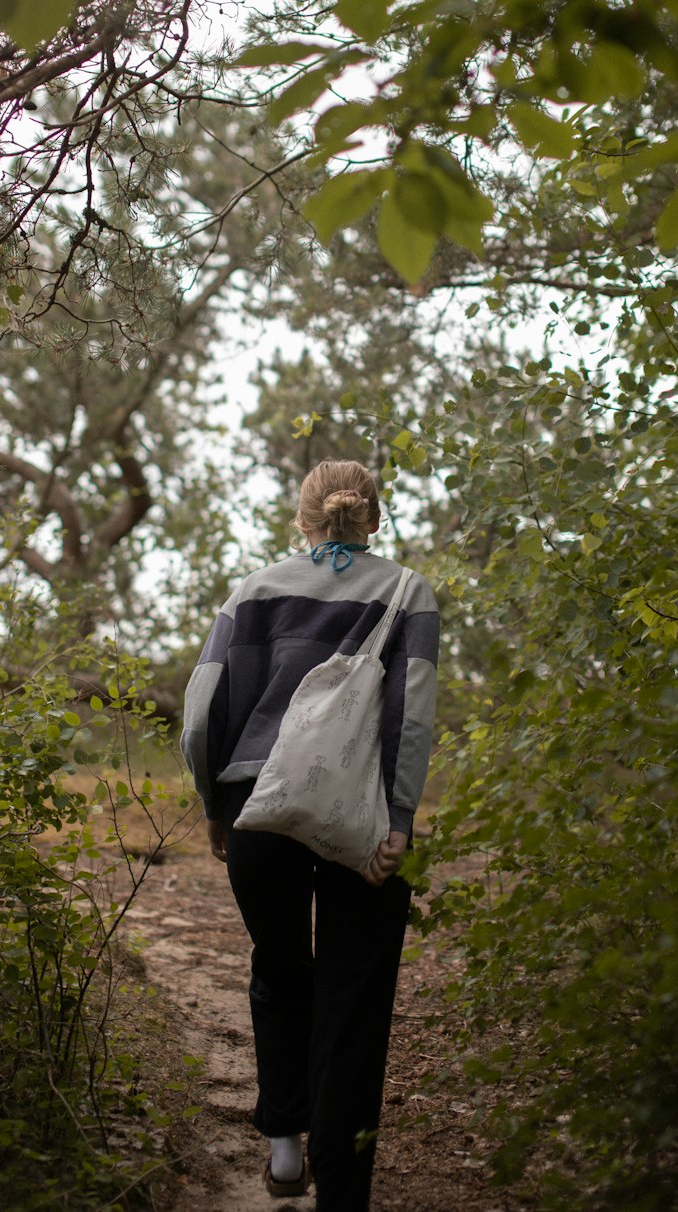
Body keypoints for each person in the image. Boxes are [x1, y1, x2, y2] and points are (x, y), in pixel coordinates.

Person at [180, 459, 440, 1211]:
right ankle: (343, 1191)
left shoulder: (253, 591)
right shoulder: (406, 591)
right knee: (354, 994)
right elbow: (410, 715)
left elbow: (202, 711)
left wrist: (214, 803)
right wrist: (398, 819)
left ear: (303, 517)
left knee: (281, 963)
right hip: (359, 811)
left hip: (257, 803)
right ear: (374, 518)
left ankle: (285, 1149)